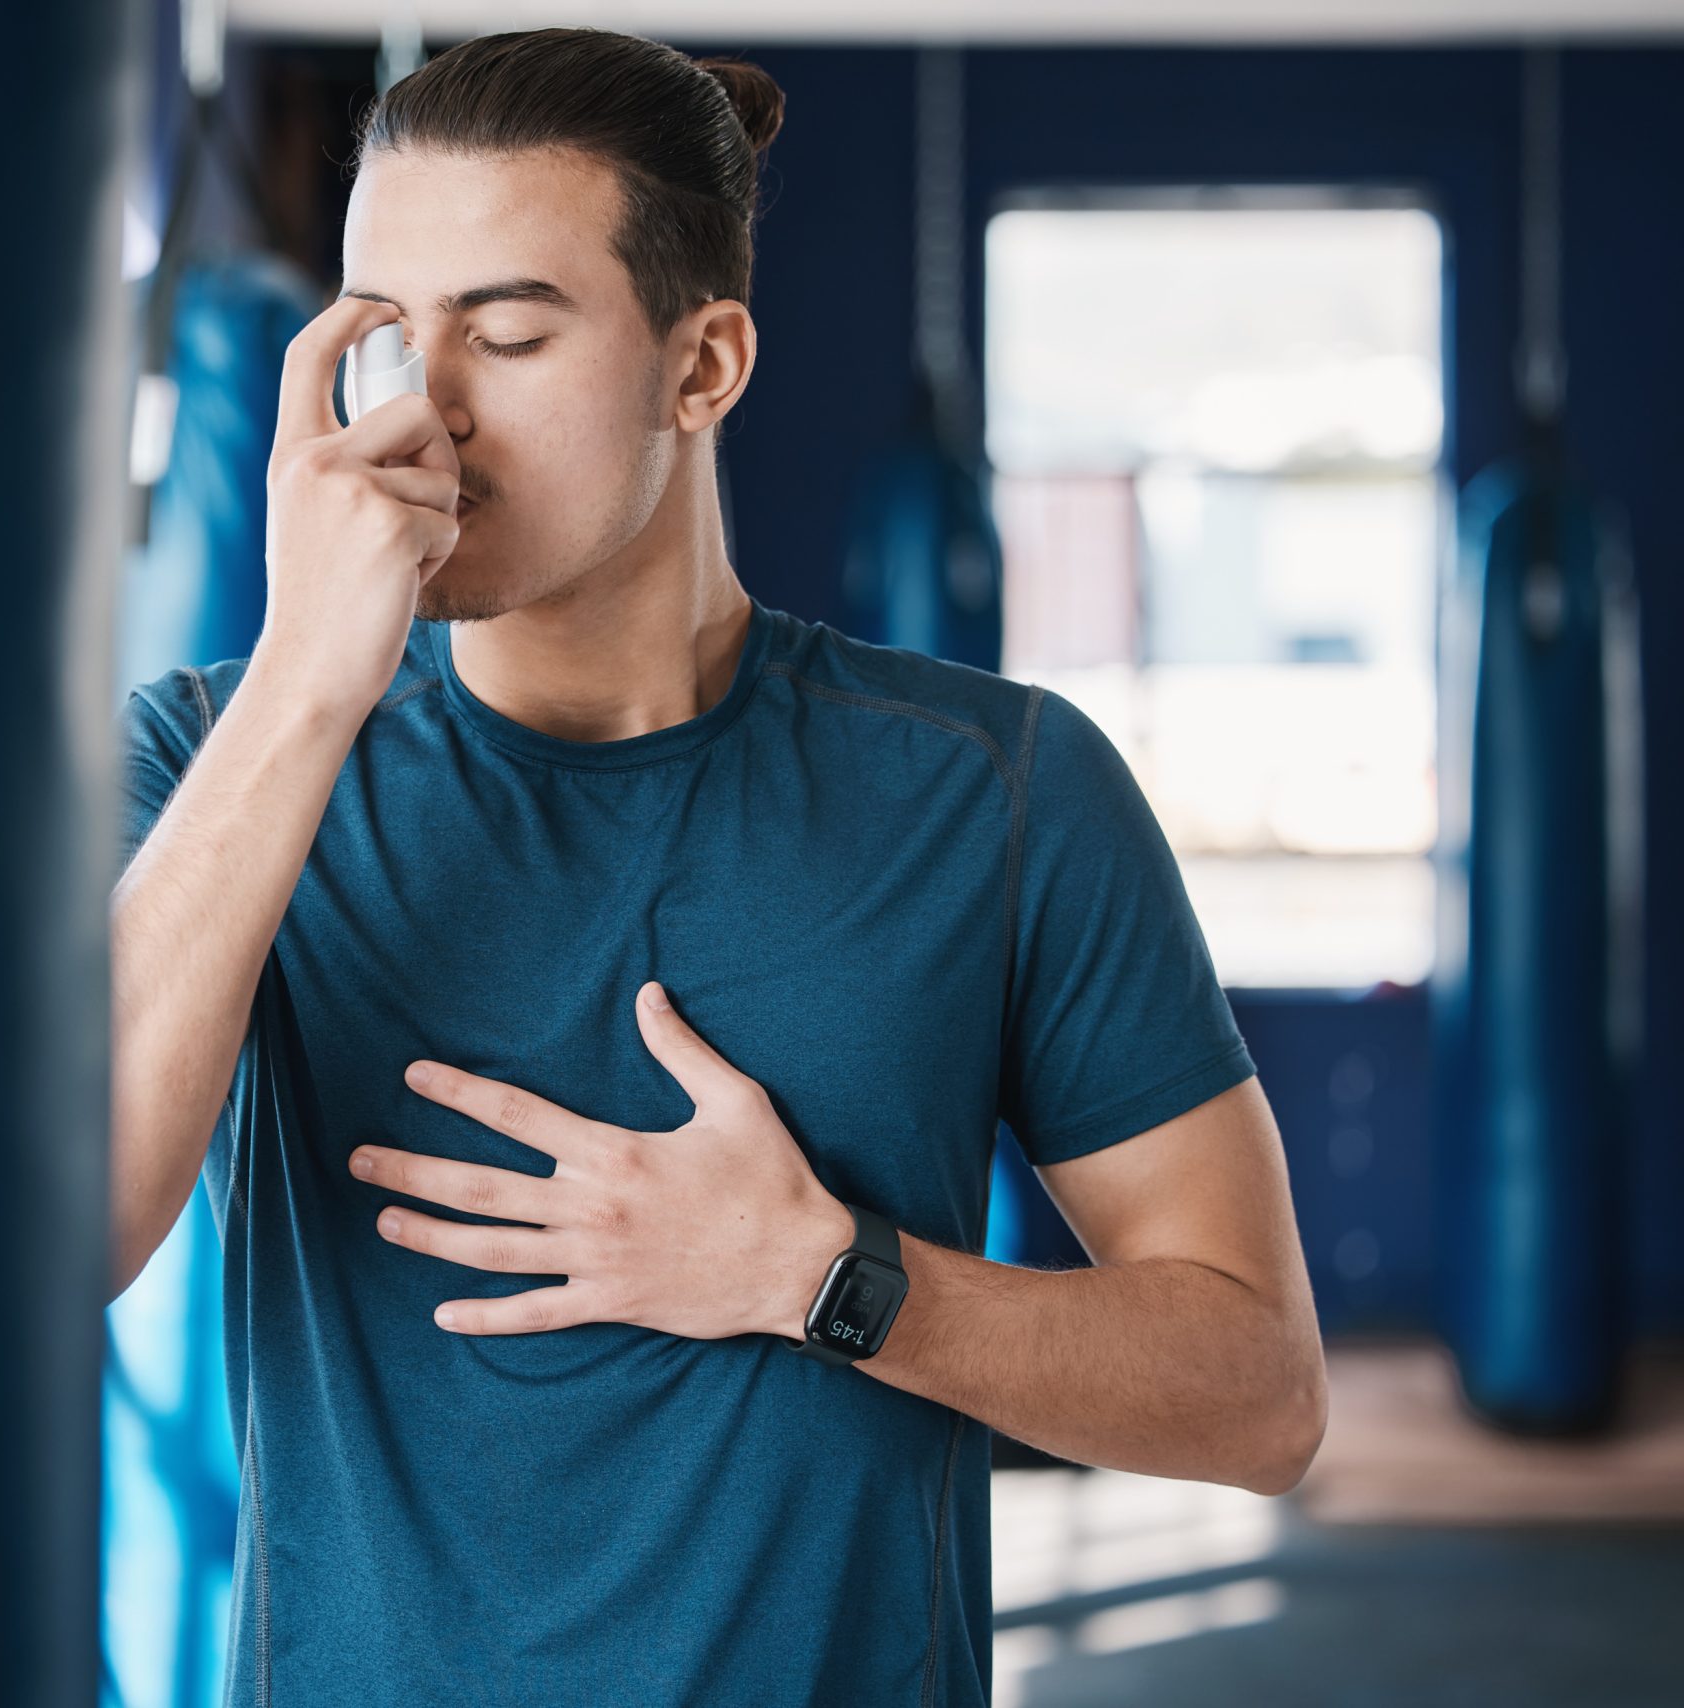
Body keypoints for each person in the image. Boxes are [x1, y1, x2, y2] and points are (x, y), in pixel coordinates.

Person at [108, 26, 1326, 1707]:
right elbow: (68, 1227)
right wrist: (310, 679)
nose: (431, 415)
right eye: (392, 337)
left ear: (705, 368)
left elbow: (1259, 1396)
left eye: (513, 333)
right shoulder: (208, 762)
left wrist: (824, 1280)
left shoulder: (998, 791)